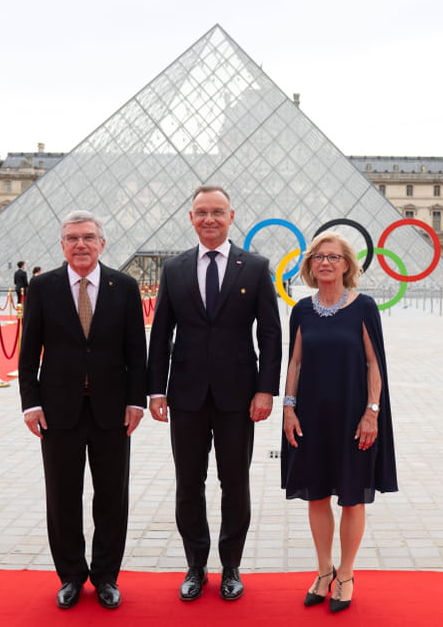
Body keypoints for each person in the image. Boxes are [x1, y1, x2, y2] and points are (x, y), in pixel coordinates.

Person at [148, 185, 282, 602]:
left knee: (234, 483)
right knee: (189, 484)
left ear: (231, 215)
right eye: (201, 212)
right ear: (191, 217)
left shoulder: (256, 267)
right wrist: (155, 390)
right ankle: (195, 566)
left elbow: (271, 334)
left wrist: (265, 391)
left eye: (217, 212)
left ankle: (231, 567)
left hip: (238, 397)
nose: (209, 219)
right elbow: (161, 334)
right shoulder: (174, 268)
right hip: (185, 395)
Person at [19, 210, 147, 610]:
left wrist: (135, 401)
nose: (80, 244)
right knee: (62, 497)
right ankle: (71, 575)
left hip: (112, 410)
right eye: (72, 238)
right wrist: (31, 404)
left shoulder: (124, 286)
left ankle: (106, 576)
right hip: (58, 411)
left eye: (88, 237)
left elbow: (135, 350)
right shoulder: (43, 287)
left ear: (102, 243)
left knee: (112, 496)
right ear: (62, 245)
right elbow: (28, 353)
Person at [281, 231, 398, 613]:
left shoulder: (363, 306)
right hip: (311, 416)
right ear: (310, 265)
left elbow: (374, 363)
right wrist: (289, 407)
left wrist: (372, 412)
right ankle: (323, 569)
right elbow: (295, 362)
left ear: (347, 265)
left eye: (333, 257)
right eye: (318, 257)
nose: (325, 262)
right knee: (315, 494)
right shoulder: (301, 309)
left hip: (352, 415)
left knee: (351, 496)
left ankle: (345, 573)